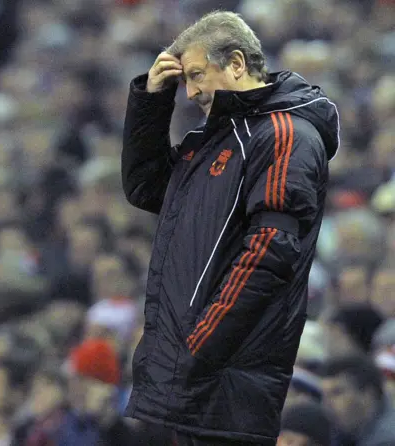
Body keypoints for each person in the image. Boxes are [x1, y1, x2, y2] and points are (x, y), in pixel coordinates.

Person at [121, 10, 340, 446]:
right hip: (200, 377)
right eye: (184, 80)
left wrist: (199, 341)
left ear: (237, 63)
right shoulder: (217, 137)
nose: (191, 90)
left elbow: (270, 250)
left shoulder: (285, 134)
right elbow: (146, 188)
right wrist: (151, 101)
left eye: (197, 74)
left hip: (227, 374)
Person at [321, 355, 395, 446]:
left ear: (368, 395)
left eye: (337, 393)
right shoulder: (345, 434)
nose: (327, 403)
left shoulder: (388, 440)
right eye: (325, 395)